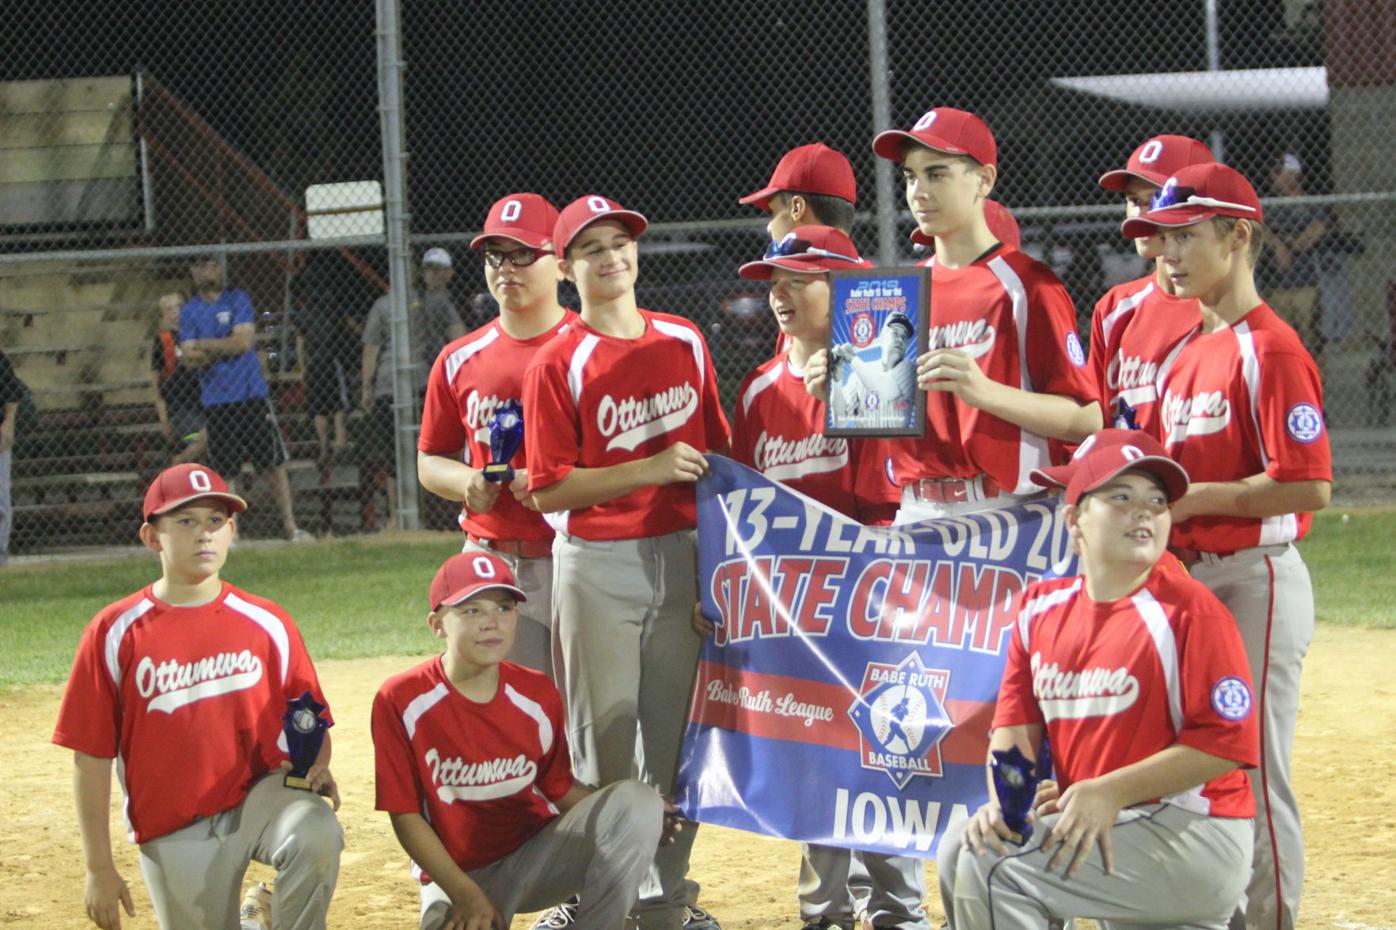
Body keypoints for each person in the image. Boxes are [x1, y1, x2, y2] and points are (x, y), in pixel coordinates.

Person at [1125, 161, 1332, 930]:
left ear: (1238, 234)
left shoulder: (1268, 349)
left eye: (1183, 237)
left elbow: (1309, 485)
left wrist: (1198, 500)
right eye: (1159, 240)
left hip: (1255, 578)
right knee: (1194, 762)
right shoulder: (1185, 353)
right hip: (1190, 585)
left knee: (1252, 763)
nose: (1164, 255)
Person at [945, 428, 1259, 929]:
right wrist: (1010, 804)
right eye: (1121, 497)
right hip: (1121, 821)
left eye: (1157, 501)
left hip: (1193, 830)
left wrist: (1107, 790)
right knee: (968, 843)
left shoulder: (1190, 610)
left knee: (994, 866)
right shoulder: (1040, 609)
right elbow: (1015, 729)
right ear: (1074, 520)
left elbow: (1226, 743)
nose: (1145, 512)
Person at [522, 194, 731, 930]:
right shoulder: (558, 361)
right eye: (592, 248)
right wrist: (647, 468)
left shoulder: (684, 340)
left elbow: (715, 461)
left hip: (679, 558)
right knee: (602, 744)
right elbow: (549, 490)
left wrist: (716, 565)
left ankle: (666, 904)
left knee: (676, 743)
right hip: (596, 564)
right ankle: (598, 902)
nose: (612, 256)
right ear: (567, 267)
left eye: (621, 242)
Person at [727, 227, 922, 930]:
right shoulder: (757, 392)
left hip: (868, 600)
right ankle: (826, 913)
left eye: (798, 281)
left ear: (843, 290)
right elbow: (742, 509)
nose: (779, 295)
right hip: (793, 610)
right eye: (773, 282)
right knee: (814, 758)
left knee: (885, 752)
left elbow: (882, 507)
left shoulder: (873, 379)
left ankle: (899, 910)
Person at [51, 462, 343, 930]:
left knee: (317, 833)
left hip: (260, 797)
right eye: (185, 522)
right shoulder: (116, 631)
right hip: (173, 821)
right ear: (152, 537)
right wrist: (98, 868)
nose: (203, 534)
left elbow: (309, 718)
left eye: (215, 521)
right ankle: (256, 919)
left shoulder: (267, 621)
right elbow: (90, 755)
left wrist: (318, 763)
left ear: (231, 532)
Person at [810, 106, 1100, 523]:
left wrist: (984, 392)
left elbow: (1087, 419)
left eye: (937, 173)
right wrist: (840, 394)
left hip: (1008, 511)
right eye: (910, 176)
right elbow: (890, 414)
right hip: (915, 509)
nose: (918, 191)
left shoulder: (1027, 285)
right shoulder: (901, 292)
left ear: (984, 179)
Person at [371, 549, 668, 930]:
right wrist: (465, 894)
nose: (491, 623)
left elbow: (559, 788)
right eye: (471, 610)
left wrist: (638, 819)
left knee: (639, 801)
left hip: (537, 858)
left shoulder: (537, 694)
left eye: (504, 608)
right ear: (437, 624)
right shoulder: (401, 699)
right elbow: (405, 816)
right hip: (454, 875)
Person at [417, 192, 574, 676]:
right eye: (495, 255)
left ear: (561, 264)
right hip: (493, 560)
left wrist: (556, 482)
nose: (506, 267)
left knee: (590, 721)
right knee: (507, 717)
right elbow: (430, 460)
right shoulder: (461, 358)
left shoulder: (591, 350)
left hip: (578, 556)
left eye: (523, 253)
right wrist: (467, 483)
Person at [179, 253, 309, 541]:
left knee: (272, 462)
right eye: (201, 265)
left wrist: (203, 345)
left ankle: (291, 526)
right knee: (227, 468)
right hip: (216, 399)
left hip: (251, 394)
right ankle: (233, 533)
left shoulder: (237, 299)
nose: (208, 270)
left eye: (212, 264)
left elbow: (243, 342)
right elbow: (188, 359)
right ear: (193, 273)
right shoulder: (189, 311)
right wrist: (221, 346)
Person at [1091, 134, 1213, 433]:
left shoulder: (1224, 312)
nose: (1141, 214)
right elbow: (1092, 415)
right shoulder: (1116, 308)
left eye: (1155, 199)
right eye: (1134, 200)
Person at [360, 247, 467, 528]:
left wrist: (366, 390)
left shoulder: (385, 304)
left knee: (397, 453)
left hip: (391, 385)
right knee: (426, 451)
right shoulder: (431, 303)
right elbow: (460, 339)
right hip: (422, 384)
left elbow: (371, 351)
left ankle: (400, 515)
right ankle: (417, 515)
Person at [1260, 153, 1329, 364]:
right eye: (1273, 173)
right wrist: (1278, 246)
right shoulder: (1270, 205)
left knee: (1309, 335)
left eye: (1279, 172)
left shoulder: (1309, 204)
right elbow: (1259, 228)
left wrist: (1291, 247)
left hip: (1305, 281)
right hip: (1277, 284)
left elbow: (1318, 228)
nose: (1274, 177)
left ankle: (1315, 378)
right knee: (1280, 336)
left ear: (1293, 174)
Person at [290, 252, 353, 468]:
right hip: (331, 357)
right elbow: (344, 324)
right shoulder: (331, 300)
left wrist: (302, 365)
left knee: (318, 405)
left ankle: (326, 445)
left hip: (315, 359)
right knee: (335, 404)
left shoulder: (304, 305)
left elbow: (300, 337)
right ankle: (338, 443)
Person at [741, 142, 859, 242]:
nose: (769, 227)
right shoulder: (869, 269)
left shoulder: (780, 270)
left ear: (797, 208)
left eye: (774, 212)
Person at [828, 310, 917, 429]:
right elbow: (840, 421)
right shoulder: (858, 375)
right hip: (866, 446)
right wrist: (836, 380)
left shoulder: (909, 369)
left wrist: (852, 358)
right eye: (895, 333)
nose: (900, 340)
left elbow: (887, 390)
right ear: (882, 337)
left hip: (898, 445)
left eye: (904, 337)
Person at [150, 292, 208, 466]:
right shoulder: (163, 340)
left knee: (213, 445)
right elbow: (155, 385)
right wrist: (164, 418)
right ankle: (177, 463)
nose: (175, 312)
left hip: (204, 403)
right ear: (163, 315)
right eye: (169, 309)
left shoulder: (198, 335)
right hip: (180, 410)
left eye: (179, 307)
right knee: (204, 438)